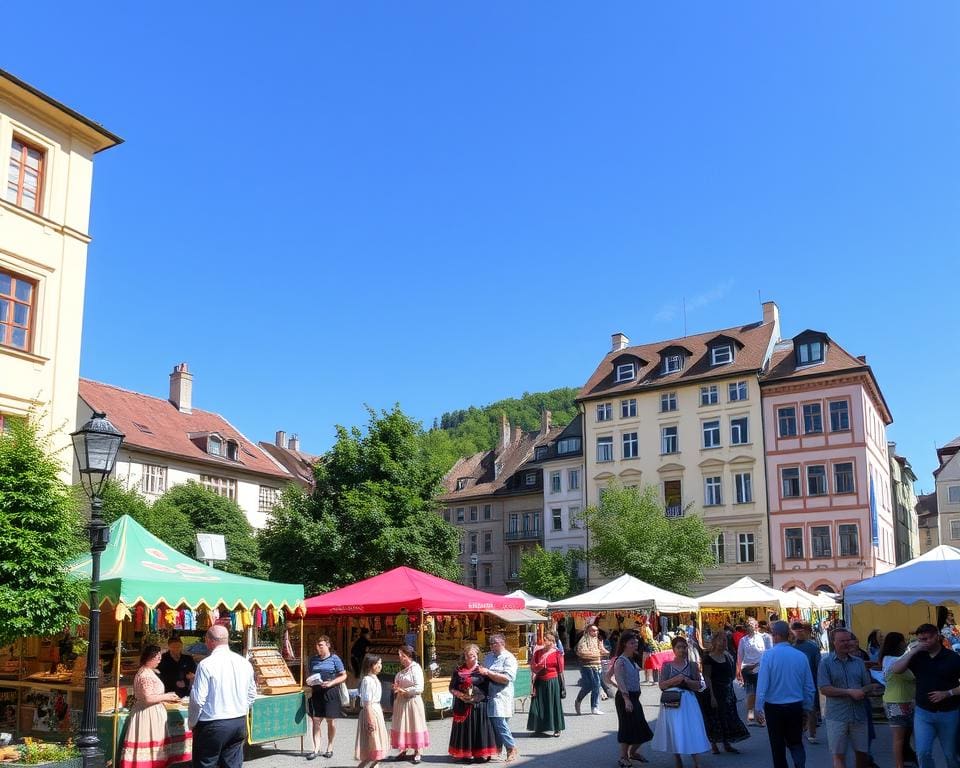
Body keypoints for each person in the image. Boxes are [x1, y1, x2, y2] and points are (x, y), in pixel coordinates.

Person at [889, 622, 960, 768]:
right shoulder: (917, 656)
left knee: (950, 754)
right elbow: (895, 669)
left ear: (937, 637)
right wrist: (912, 651)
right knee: (922, 753)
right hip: (923, 713)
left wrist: (948, 693)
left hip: (948, 712)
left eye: (927, 639)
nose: (924, 642)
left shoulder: (952, 657)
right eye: (920, 639)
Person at [187, 625, 257, 768]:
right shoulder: (244, 662)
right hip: (238, 721)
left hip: (214, 722)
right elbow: (251, 694)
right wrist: (240, 709)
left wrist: (192, 722)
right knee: (232, 764)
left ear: (210, 641)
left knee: (207, 763)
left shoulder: (206, 664)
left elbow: (198, 699)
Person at [755, 621, 816, 768]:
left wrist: (758, 708)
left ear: (774, 636)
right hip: (795, 705)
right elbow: (809, 686)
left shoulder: (768, 656)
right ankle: (799, 765)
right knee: (795, 742)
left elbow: (762, 684)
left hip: (774, 707)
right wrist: (807, 708)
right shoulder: (800, 656)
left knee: (777, 746)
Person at [818, 627, 878, 768]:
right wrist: (849, 692)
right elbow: (824, 688)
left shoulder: (858, 662)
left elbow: (867, 686)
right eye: (842, 641)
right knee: (838, 755)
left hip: (859, 715)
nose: (846, 643)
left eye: (848, 640)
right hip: (837, 716)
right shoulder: (825, 663)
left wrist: (866, 690)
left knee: (862, 753)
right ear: (833, 642)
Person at [118, 645, 185, 768]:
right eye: (158, 658)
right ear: (150, 657)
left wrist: (166, 696)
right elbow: (148, 698)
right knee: (148, 749)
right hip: (147, 714)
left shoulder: (148, 672)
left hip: (151, 712)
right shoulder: (145, 675)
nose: (159, 660)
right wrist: (167, 696)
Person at [652, 634, 710, 768]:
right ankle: (677, 759)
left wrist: (688, 681)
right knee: (675, 730)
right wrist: (675, 680)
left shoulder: (693, 665)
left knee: (692, 729)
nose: (682, 650)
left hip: (689, 701)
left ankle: (697, 761)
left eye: (684, 647)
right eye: (679, 647)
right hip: (672, 701)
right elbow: (661, 685)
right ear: (673, 649)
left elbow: (699, 685)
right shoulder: (667, 666)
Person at [700, 630, 749, 755]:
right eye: (720, 640)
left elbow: (731, 673)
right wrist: (712, 696)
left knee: (727, 717)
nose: (723, 643)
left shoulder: (727, 655)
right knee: (715, 717)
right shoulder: (708, 658)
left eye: (725, 640)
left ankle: (727, 743)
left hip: (728, 692)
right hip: (715, 692)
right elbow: (707, 677)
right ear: (715, 641)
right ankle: (714, 744)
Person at [448, 643, 498, 762]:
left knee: (478, 729)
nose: (470, 658)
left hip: (478, 705)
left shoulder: (482, 670)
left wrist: (475, 698)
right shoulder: (458, 670)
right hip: (462, 705)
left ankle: (479, 754)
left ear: (477, 655)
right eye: (468, 655)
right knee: (465, 730)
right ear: (464, 656)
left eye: (473, 655)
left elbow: (487, 689)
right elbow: (451, 687)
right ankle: (465, 754)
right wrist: (460, 696)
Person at [611, 631, 653, 766]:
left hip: (634, 696)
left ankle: (633, 753)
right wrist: (625, 697)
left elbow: (607, 677)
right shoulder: (620, 661)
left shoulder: (632, 658)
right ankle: (623, 757)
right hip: (626, 698)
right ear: (624, 644)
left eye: (635, 642)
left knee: (641, 727)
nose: (635, 645)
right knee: (627, 727)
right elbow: (618, 678)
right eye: (632, 643)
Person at [305, 635, 348, 760]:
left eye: (321, 645)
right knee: (316, 720)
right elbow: (309, 674)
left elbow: (343, 675)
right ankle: (316, 748)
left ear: (328, 645)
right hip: (317, 692)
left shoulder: (335, 659)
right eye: (317, 646)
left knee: (331, 721)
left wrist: (331, 683)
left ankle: (330, 747)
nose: (318, 648)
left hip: (330, 692)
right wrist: (310, 681)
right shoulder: (313, 660)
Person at [879, 632, 917, 768]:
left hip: (901, 701)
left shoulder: (887, 658)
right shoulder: (893, 660)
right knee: (899, 738)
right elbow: (910, 676)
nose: (905, 643)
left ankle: (905, 761)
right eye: (903, 641)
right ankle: (899, 765)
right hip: (897, 702)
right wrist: (913, 650)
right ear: (898, 643)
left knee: (904, 737)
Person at [478, 633, 518, 762]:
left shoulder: (509, 658)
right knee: (495, 724)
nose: (491, 646)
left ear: (501, 643)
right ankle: (497, 749)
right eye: (490, 644)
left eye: (493, 644)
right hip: (489, 694)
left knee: (500, 723)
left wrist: (488, 672)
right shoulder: (489, 657)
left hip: (502, 695)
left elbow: (507, 678)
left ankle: (511, 748)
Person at [389, 645, 428, 764]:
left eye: (403, 655)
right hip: (401, 702)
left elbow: (419, 687)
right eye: (399, 655)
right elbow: (399, 684)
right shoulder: (402, 671)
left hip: (412, 702)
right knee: (402, 725)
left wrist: (404, 690)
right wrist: (396, 688)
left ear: (409, 656)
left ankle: (417, 751)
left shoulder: (416, 668)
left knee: (414, 724)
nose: (400, 658)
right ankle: (403, 749)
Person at [527, 630, 565, 737]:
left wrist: (563, 685)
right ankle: (538, 727)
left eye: (546, 639)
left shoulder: (557, 654)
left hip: (552, 681)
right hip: (539, 680)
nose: (543, 641)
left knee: (554, 704)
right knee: (539, 704)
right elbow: (533, 666)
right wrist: (539, 666)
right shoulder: (538, 653)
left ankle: (557, 728)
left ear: (551, 641)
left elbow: (561, 670)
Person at [790, 621, 822, 744]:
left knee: (811, 708)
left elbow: (818, 665)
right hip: (794, 683)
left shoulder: (812, 647)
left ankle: (812, 734)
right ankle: (799, 730)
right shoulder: (791, 647)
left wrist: (819, 681)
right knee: (796, 708)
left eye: (800, 630)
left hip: (810, 682)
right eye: (796, 630)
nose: (799, 632)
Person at [355, 654, 388, 768]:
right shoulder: (367, 680)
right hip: (371, 712)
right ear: (371, 665)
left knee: (377, 744)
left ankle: (374, 765)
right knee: (372, 743)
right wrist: (371, 720)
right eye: (377, 663)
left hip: (375, 710)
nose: (380, 666)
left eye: (380, 663)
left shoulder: (374, 678)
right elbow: (367, 702)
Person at [736, 618, 769, 724]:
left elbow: (768, 653)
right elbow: (740, 656)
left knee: (760, 694)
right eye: (749, 624)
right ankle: (750, 717)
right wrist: (739, 671)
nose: (751, 626)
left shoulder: (763, 638)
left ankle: (761, 717)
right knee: (750, 694)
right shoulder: (743, 640)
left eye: (753, 624)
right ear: (746, 627)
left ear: (756, 626)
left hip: (761, 669)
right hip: (748, 670)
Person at [574, 622, 608, 715]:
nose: (595, 632)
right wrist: (597, 654)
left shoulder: (597, 640)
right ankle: (582, 702)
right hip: (587, 666)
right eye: (593, 630)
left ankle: (592, 706)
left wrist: (605, 651)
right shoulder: (584, 640)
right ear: (588, 631)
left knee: (594, 686)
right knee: (592, 686)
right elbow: (582, 653)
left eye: (596, 630)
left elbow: (603, 650)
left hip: (597, 665)